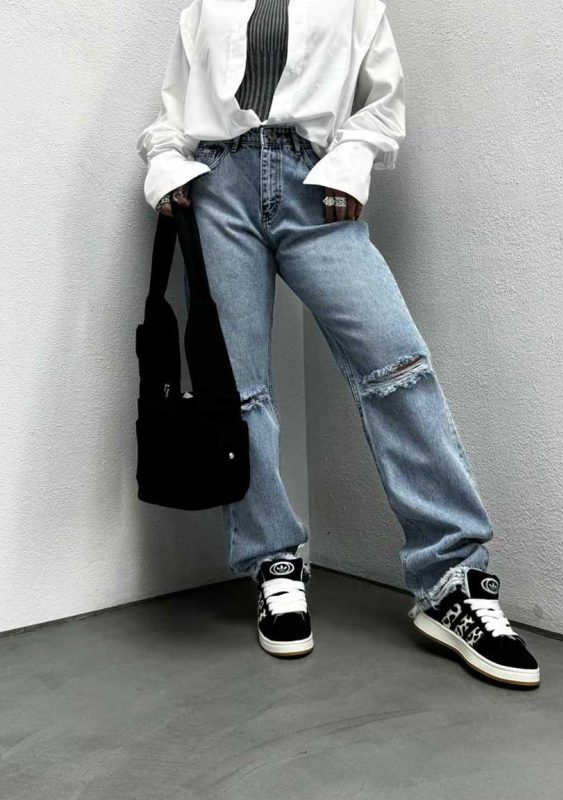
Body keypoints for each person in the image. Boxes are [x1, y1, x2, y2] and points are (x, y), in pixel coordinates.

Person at [136, 0, 540, 687]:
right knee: (239, 388)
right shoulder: (206, 4)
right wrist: (167, 163)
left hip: (315, 186)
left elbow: (381, 102)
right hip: (218, 188)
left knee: (398, 369)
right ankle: (273, 562)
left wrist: (351, 162)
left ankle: (452, 581)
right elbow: (175, 109)